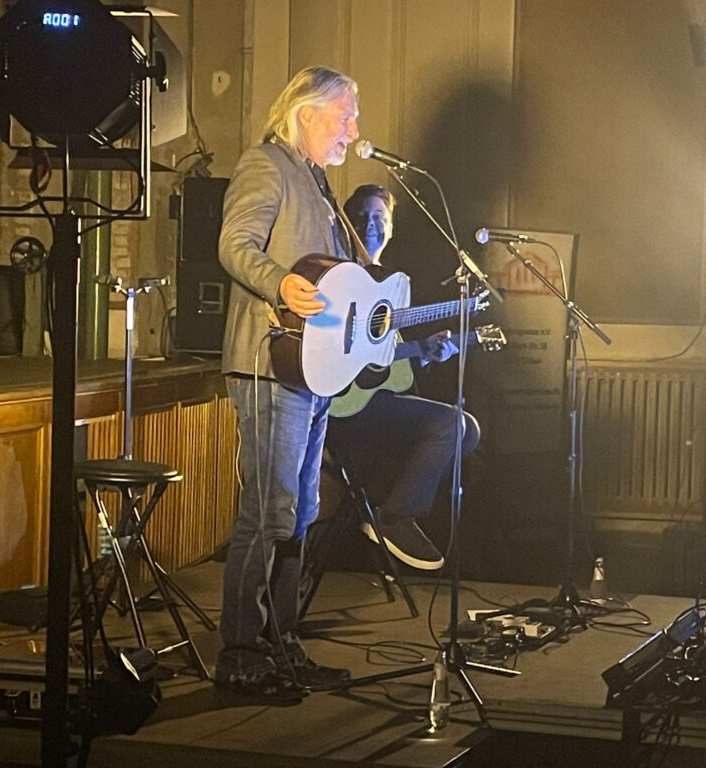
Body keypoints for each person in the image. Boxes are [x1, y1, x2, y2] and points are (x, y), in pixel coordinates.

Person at [215, 66, 360, 697]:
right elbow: (234, 242)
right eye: (345, 116)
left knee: (299, 510)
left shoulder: (319, 181)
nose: (355, 131)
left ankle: (283, 645)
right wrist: (278, 282)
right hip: (268, 363)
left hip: (312, 367)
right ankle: (241, 653)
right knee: (268, 508)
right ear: (306, 112)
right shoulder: (266, 164)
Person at [325, 184, 481, 570]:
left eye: (380, 217)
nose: (371, 225)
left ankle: (393, 506)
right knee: (451, 425)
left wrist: (424, 352)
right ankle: (393, 518)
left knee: (469, 429)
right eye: (361, 216)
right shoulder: (337, 275)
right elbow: (342, 352)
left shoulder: (393, 285)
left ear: (392, 228)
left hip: (370, 401)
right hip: (338, 407)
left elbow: (382, 364)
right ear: (346, 224)